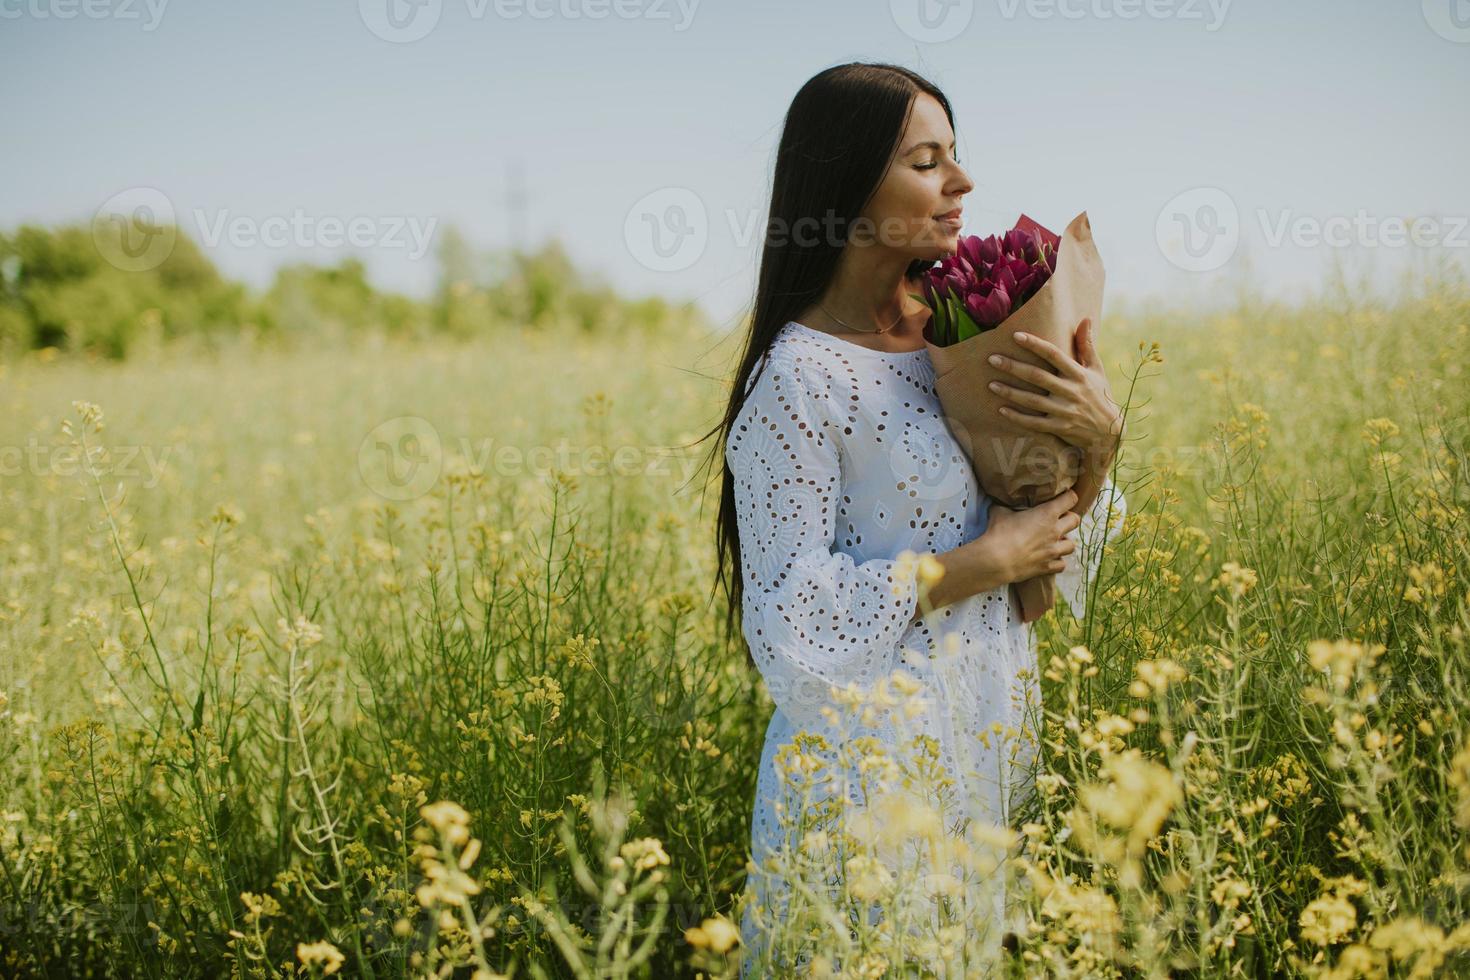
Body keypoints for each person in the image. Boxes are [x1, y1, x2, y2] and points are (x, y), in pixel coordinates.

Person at [705, 62, 1128, 976]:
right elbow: (789, 620)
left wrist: (1100, 442)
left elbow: (1048, 535)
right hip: (868, 769)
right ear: (849, 192)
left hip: (984, 729)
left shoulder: (969, 333)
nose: (962, 183)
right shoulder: (800, 380)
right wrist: (983, 561)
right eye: (928, 162)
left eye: (955, 157)